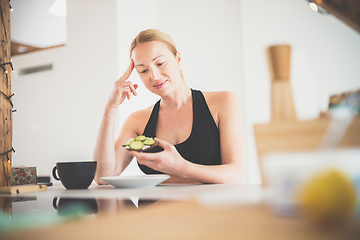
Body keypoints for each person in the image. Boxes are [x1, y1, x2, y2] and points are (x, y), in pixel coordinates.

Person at [93, 29, 245, 184]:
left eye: (160, 63)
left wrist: (183, 168)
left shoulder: (223, 102)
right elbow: (103, 177)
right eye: (143, 70)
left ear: (177, 58)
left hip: (206, 207)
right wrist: (110, 108)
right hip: (154, 208)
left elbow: (235, 175)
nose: (154, 75)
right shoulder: (137, 121)